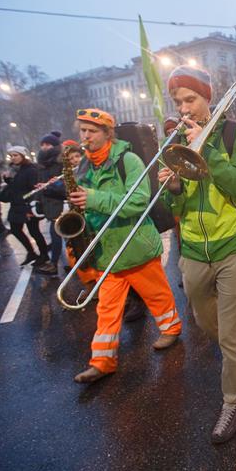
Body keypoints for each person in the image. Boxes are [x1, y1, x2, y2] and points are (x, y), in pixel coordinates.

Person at [158, 66, 236, 443]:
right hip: (195, 251)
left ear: (207, 99)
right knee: (204, 321)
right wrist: (174, 187)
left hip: (233, 245)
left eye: (191, 100)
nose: (184, 108)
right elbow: (173, 205)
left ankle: (235, 401)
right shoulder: (174, 141)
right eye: (179, 102)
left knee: (231, 334)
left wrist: (209, 149)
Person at [69, 108, 181, 384]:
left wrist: (93, 199)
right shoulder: (84, 165)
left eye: (92, 131)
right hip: (107, 251)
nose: (86, 136)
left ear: (108, 133)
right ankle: (102, 361)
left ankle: (171, 329)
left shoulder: (128, 160)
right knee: (106, 308)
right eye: (82, 131)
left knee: (157, 294)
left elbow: (138, 201)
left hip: (135, 245)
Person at [0, 146, 57, 274]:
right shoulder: (14, 170)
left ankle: (43, 255)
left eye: (16, 155)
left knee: (34, 231)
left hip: (26, 206)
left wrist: (30, 207)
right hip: (16, 205)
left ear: (23, 156)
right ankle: (31, 252)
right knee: (15, 229)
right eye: (12, 156)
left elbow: (35, 189)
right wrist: (8, 180)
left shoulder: (30, 170)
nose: (13, 158)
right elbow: (16, 185)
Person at [36, 133, 64, 272]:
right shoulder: (41, 164)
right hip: (48, 202)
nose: (44, 147)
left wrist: (53, 185)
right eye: (43, 144)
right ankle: (63, 262)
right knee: (57, 235)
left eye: (48, 144)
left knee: (56, 233)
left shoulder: (61, 162)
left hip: (59, 204)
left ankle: (54, 264)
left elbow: (66, 185)